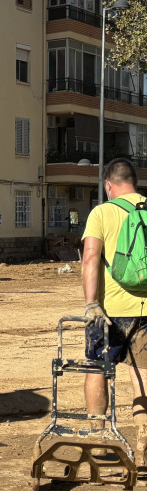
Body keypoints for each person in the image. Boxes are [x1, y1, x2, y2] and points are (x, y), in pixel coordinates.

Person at [82, 158, 147, 467]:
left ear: (108, 185)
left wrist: (91, 302)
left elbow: (91, 257)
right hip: (146, 311)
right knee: (143, 376)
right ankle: (144, 442)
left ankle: (98, 443)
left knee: (98, 369)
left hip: (109, 312)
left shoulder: (102, 212)